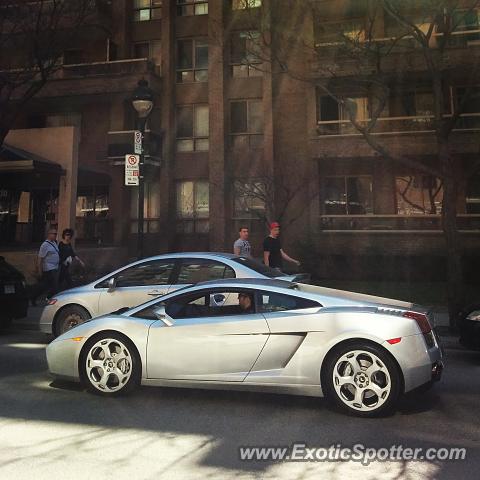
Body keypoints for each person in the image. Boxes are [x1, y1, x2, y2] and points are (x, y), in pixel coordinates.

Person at [31, 228, 60, 305]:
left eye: (56, 234)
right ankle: (48, 300)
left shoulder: (54, 243)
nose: (55, 235)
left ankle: (35, 297)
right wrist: (40, 270)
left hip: (55, 268)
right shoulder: (45, 245)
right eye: (53, 234)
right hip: (48, 269)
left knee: (46, 286)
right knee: (54, 286)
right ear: (49, 234)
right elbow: (40, 258)